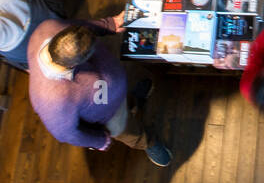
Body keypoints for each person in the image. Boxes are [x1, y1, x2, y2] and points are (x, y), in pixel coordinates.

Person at [27, 15, 171, 166]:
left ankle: (134, 101)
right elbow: (66, 134)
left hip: (115, 93)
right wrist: (100, 141)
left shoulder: (49, 26)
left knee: (128, 105)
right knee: (130, 132)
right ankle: (147, 143)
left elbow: (77, 23)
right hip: (110, 116)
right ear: (76, 64)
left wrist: (109, 24)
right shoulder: (52, 101)